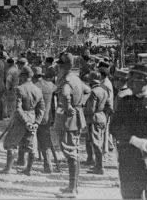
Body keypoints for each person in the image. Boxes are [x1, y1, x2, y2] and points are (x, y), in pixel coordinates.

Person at [110, 64, 147, 199]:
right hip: (129, 160)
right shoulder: (125, 102)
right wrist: (133, 139)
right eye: (129, 81)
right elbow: (114, 127)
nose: (130, 84)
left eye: (134, 81)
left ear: (146, 81)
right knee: (130, 196)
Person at [55, 52, 91, 198]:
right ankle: (73, 186)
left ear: (64, 66)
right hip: (77, 117)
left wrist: (69, 106)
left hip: (68, 120)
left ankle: (72, 189)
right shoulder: (76, 78)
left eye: (60, 65)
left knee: (70, 153)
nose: (58, 67)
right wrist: (80, 104)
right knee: (73, 152)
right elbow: (88, 90)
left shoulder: (66, 80)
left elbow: (64, 94)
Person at [2, 65, 44, 176]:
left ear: (24, 76)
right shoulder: (38, 90)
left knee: (11, 143)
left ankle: (8, 168)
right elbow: (41, 109)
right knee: (31, 146)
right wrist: (36, 123)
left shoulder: (19, 89)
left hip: (20, 120)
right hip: (32, 118)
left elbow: (18, 108)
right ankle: (28, 170)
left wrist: (26, 122)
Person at [83, 71, 112, 175]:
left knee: (96, 143)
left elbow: (90, 109)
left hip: (94, 118)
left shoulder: (93, 92)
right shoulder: (104, 90)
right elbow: (109, 106)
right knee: (99, 141)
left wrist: (82, 109)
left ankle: (99, 167)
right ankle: (98, 165)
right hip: (102, 116)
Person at [33, 66, 58, 173]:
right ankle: (49, 162)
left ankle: (47, 165)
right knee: (46, 139)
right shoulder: (52, 86)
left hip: (37, 115)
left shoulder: (37, 85)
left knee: (36, 139)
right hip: (48, 116)